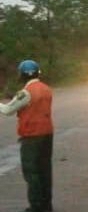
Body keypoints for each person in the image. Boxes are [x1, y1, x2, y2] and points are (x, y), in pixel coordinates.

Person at [0, 60, 54, 212]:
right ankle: (46, 205)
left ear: (22, 75)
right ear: (38, 72)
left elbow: (7, 110)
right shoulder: (46, 88)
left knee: (32, 172)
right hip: (47, 133)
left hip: (32, 136)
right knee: (45, 171)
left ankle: (36, 207)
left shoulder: (26, 92)